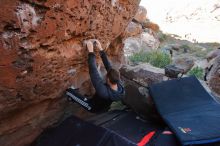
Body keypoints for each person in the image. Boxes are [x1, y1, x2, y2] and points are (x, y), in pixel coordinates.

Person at [66, 39, 125, 113]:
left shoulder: (103, 92)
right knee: (97, 99)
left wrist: (91, 52)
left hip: (93, 107)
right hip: (104, 106)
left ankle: (70, 96)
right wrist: (101, 50)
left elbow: (93, 72)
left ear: (108, 80)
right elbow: (108, 66)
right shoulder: (119, 86)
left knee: (69, 92)